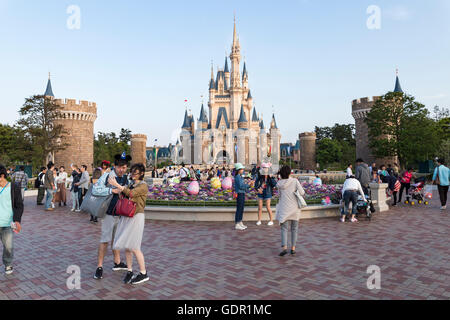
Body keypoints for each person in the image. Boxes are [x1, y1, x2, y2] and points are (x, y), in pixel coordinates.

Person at [92, 153, 132, 280]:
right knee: (105, 240)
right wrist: (111, 190)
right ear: (115, 166)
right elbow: (95, 190)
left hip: (121, 214)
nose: (122, 170)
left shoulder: (126, 178)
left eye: (124, 167)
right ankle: (99, 267)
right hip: (108, 214)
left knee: (117, 240)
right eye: (120, 167)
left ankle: (117, 262)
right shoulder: (107, 176)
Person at [111, 163, 149, 285]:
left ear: (142, 173)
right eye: (132, 172)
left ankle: (143, 273)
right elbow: (125, 193)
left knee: (134, 246)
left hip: (136, 216)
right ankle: (130, 270)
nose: (132, 174)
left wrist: (117, 185)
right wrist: (118, 189)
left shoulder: (143, 186)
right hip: (127, 216)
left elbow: (131, 194)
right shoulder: (131, 184)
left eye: (135, 173)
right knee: (127, 246)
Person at [275, 165, 305, 256]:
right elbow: (302, 192)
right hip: (294, 208)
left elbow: (279, 195)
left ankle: (284, 248)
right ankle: (293, 248)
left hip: (284, 208)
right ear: (289, 173)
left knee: (284, 228)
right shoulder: (295, 181)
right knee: (294, 229)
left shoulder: (279, 183)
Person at [0, 165, 24, 275]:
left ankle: (8, 264)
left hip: (7, 224)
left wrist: (17, 220)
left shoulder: (13, 187)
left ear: (2, 176)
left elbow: (19, 205)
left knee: (8, 247)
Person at [234, 163, 250, 230]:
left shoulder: (240, 176)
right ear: (238, 170)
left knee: (241, 208)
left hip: (242, 193)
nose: (243, 170)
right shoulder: (238, 177)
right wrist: (248, 185)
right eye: (242, 169)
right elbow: (241, 186)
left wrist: (247, 184)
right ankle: (237, 223)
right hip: (240, 194)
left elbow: (242, 185)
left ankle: (240, 221)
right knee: (239, 209)